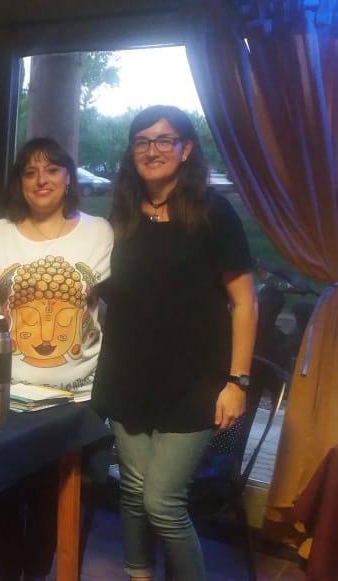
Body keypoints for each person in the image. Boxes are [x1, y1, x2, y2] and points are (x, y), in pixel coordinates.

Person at [91, 105, 256, 581]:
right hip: (128, 376)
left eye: (165, 140)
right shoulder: (122, 215)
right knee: (133, 490)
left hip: (194, 382)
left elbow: (245, 303)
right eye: (142, 141)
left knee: (162, 500)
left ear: (186, 150)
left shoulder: (212, 212)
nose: (152, 150)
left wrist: (237, 381)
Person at [0, 138, 113, 581]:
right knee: (2, 494)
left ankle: (39, 572)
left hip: (74, 400)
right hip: (3, 395)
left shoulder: (99, 233)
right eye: (30, 172)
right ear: (19, 183)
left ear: (68, 177)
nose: (41, 180)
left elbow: (125, 306)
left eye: (52, 169)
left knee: (52, 498)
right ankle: (8, 573)